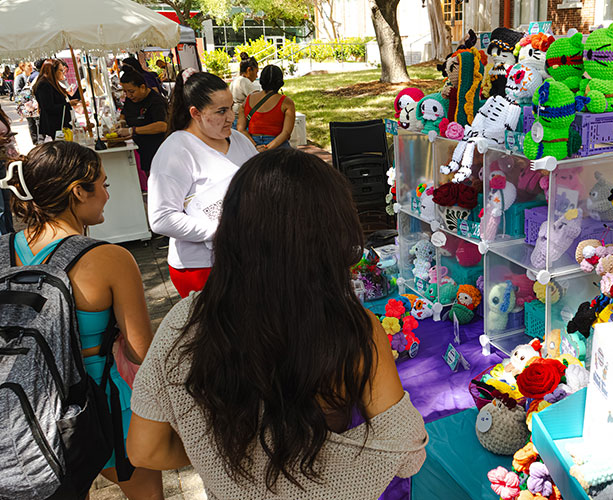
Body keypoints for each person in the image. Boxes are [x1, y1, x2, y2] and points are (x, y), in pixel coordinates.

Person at [128, 148, 428, 498]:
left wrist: (222, 457)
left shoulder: (184, 321)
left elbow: (143, 449)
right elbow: (406, 452)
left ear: (231, 229)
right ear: (333, 236)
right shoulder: (351, 329)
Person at [4, 141, 164, 498]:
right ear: (78, 191)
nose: (108, 194)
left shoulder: (3, 250)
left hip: (27, 409)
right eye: (103, 184)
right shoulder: (110, 259)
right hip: (102, 404)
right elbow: (142, 353)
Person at [147, 70, 258, 297]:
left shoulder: (238, 140)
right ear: (195, 113)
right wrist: (220, 231)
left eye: (231, 108)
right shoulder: (176, 150)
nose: (231, 117)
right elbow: (161, 218)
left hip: (246, 256)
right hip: (200, 266)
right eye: (221, 111)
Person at [118, 70, 168, 175]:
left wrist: (132, 130)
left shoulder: (156, 101)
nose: (129, 95)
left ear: (142, 87)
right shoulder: (130, 99)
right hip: (141, 147)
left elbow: (162, 126)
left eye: (131, 91)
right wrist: (121, 121)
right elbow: (125, 112)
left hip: (157, 147)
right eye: (125, 92)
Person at [238, 65, 295, 151]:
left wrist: (255, 146)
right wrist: (267, 147)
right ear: (280, 82)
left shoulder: (248, 100)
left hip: (252, 142)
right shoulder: (286, 102)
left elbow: (240, 129)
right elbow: (286, 133)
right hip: (277, 144)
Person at [33, 59, 77, 140]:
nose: (63, 73)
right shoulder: (44, 85)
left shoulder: (51, 83)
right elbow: (49, 107)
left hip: (60, 124)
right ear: (53, 71)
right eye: (60, 70)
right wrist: (69, 104)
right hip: (54, 126)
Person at [230, 57, 259, 129]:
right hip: (241, 119)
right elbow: (256, 98)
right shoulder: (245, 81)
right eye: (256, 72)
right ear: (249, 70)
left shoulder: (235, 81)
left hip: (233, 117)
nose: (256, 76)